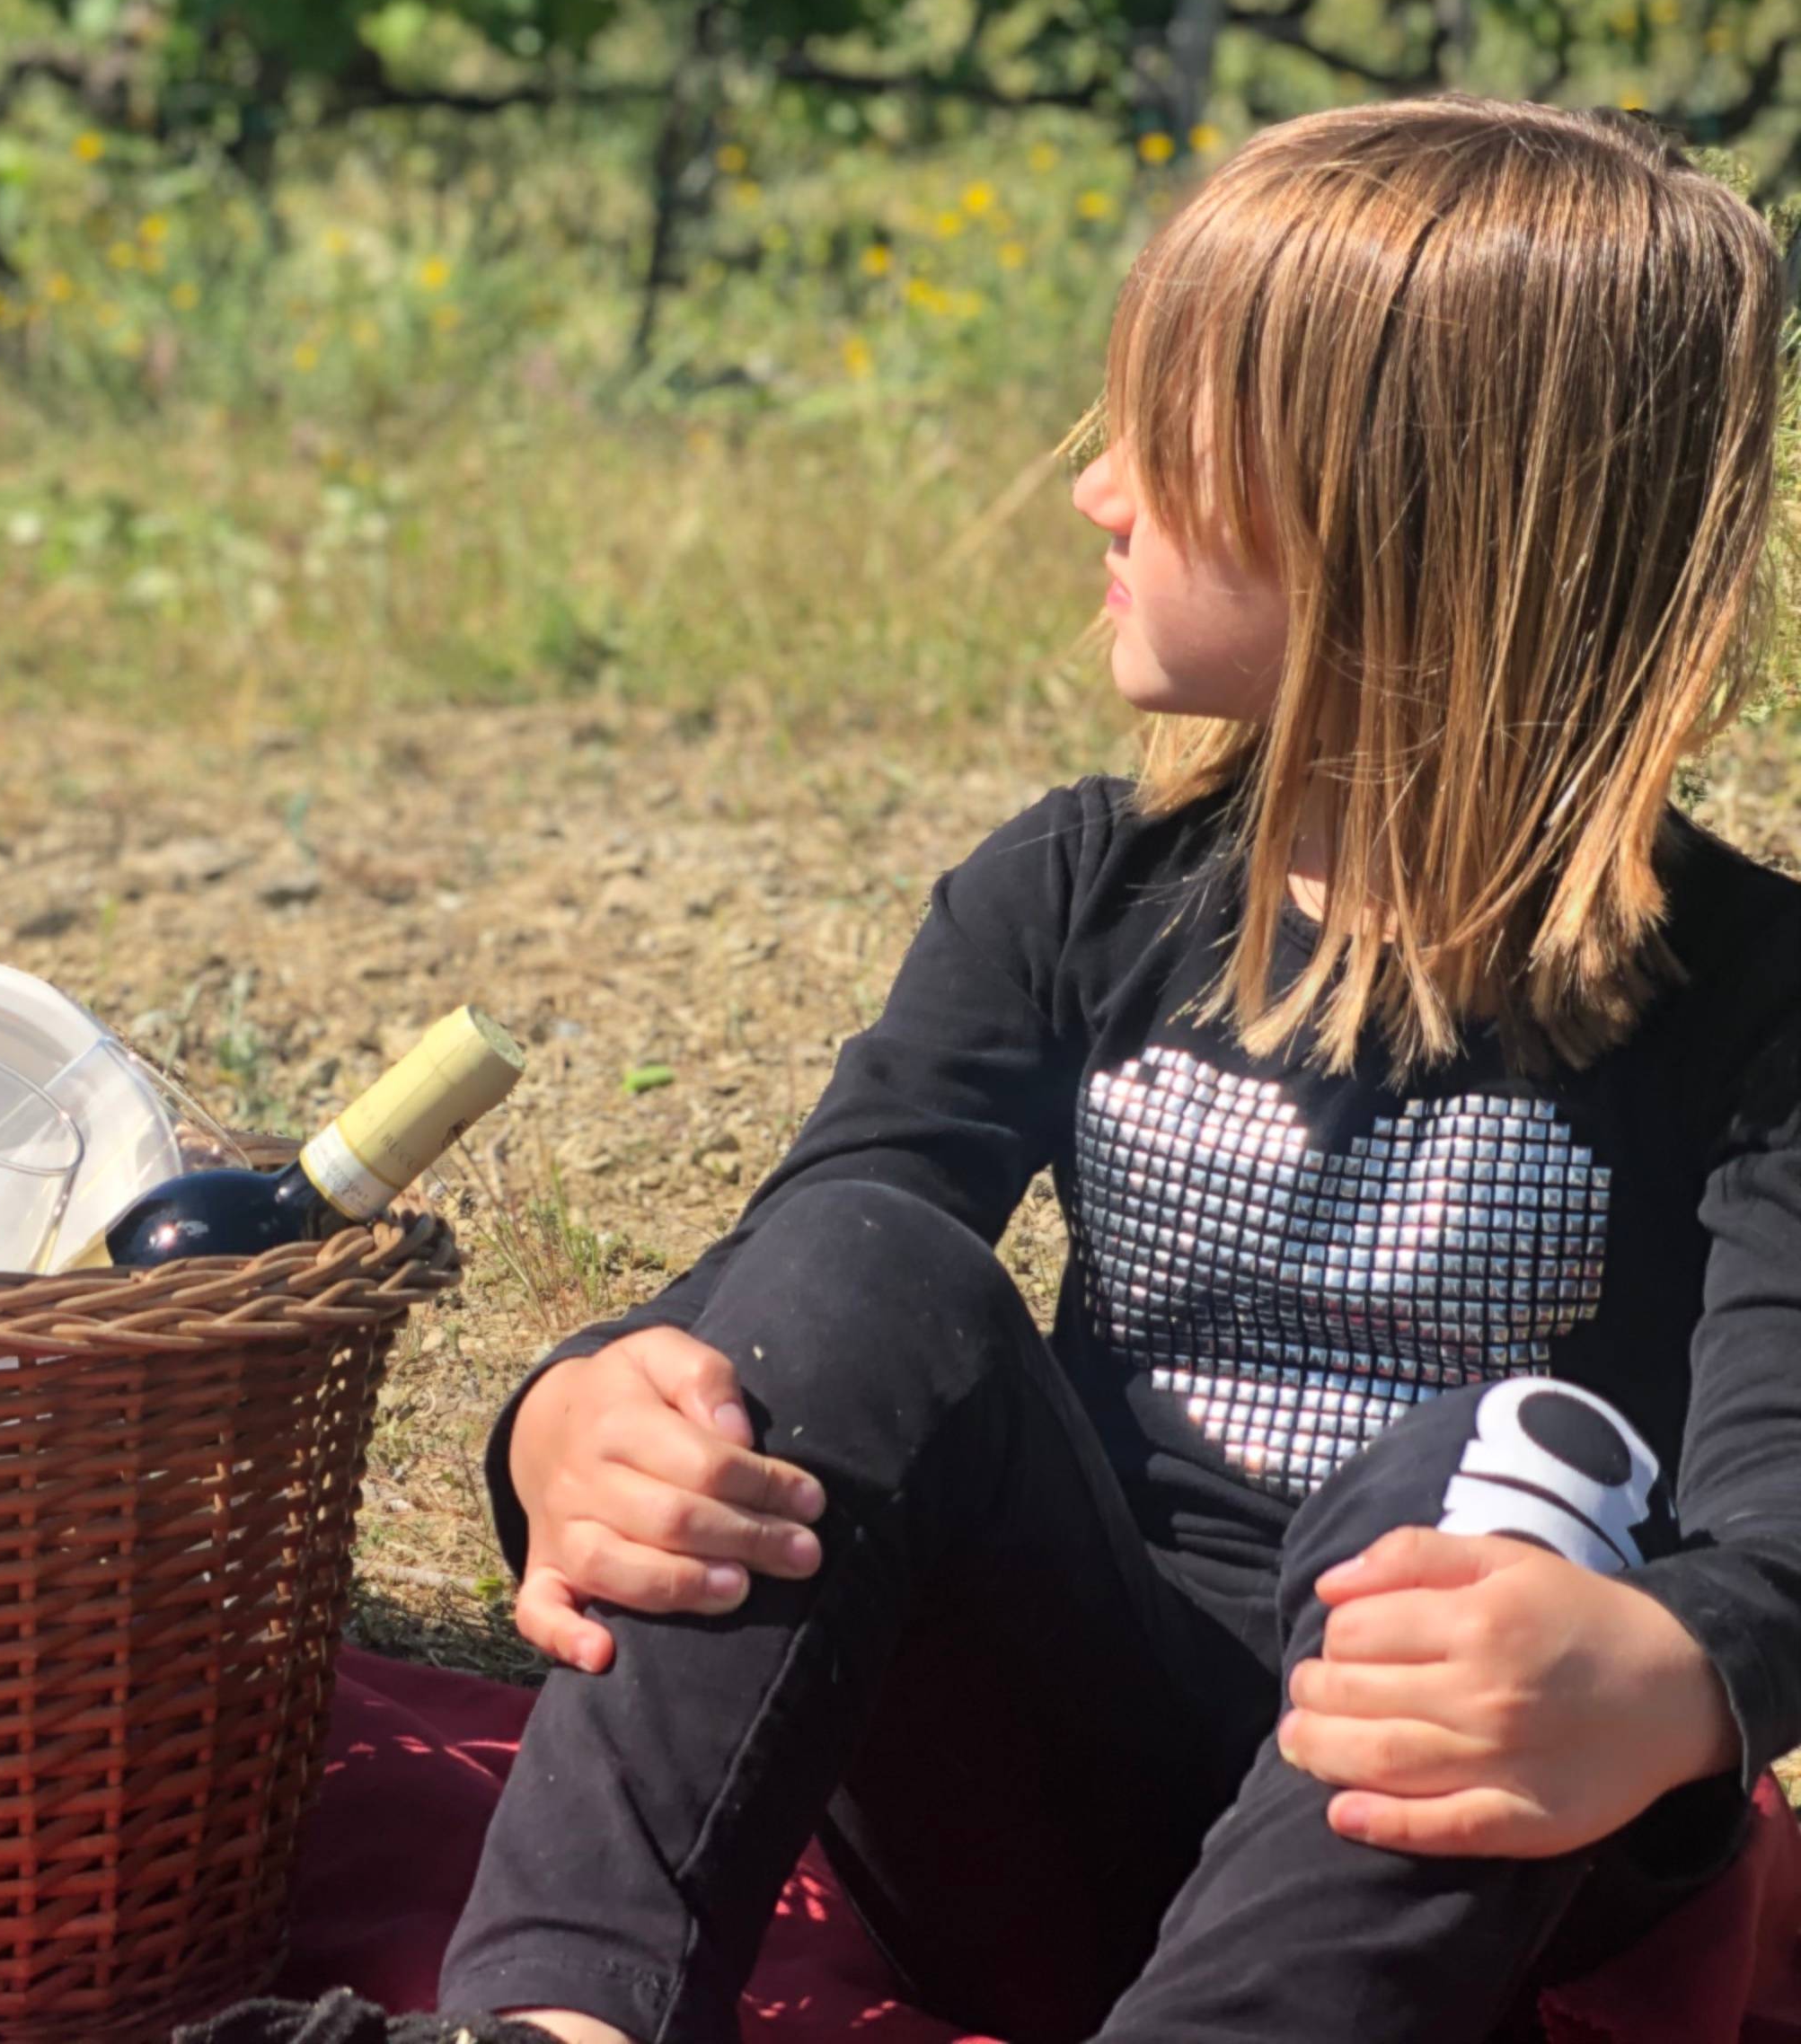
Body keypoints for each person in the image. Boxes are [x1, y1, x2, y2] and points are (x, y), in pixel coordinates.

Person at [443, 101, 1801, 2044]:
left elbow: (1783, 1527)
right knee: (856, 1258)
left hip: (1456, 1864)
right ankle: (556, 2019)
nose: (1096, 492)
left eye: (1170, 439)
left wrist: (1672, 1673)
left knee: (1511, 1472)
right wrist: (572, 1419)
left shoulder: (1759, 1006)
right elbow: (821, 1306)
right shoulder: (1074, 895)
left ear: (1397, 514)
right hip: (1051, 1808)